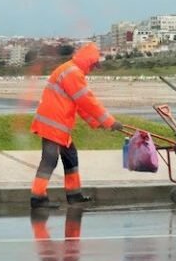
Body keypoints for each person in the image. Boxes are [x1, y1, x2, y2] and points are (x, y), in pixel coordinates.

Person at [29, 42, 123, 209]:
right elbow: (87, 101)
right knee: (50, 159)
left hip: (57, 123)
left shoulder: (71, 70)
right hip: (54, 123)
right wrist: (109, 121)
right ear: (89, 61)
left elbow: (79, 104)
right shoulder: (73, 73)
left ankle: (74, 195)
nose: (93, 69)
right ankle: (38, 198)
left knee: (70, 156)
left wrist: (97, 122)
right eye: (94, 65)